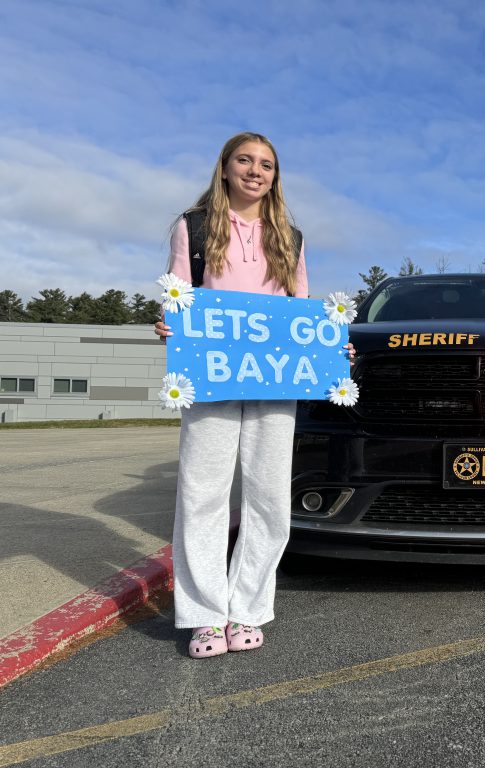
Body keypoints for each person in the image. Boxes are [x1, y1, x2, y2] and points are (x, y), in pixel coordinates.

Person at [154, 132, 352, 658]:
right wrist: (171, 325)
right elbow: (180, 294)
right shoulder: (192, 226)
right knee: (202, 495)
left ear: (275, 176)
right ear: (224, 168)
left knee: (267, 498)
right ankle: (203, 616)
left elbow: (301, 311)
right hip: (213, 375)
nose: (255, 170)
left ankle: (247, 608)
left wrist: (331, 351)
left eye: (266, 164)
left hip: (274, 378)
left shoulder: (290, 236)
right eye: (245, 160)